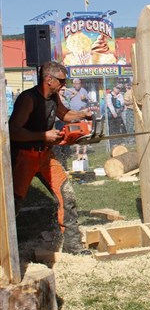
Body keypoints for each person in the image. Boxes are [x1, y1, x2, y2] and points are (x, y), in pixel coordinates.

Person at [9, 61, 92, 254]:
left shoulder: (54, 98)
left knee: (67, 194)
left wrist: (82, 114)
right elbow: (13, 131)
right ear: (48, 79)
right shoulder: (28, 99)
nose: (64, 85)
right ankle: (7, 249)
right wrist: (43, 135)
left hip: (46, 155)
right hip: (24, 157)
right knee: (13, 203)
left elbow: (64, 114)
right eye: (62, 81)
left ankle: (73, 245)